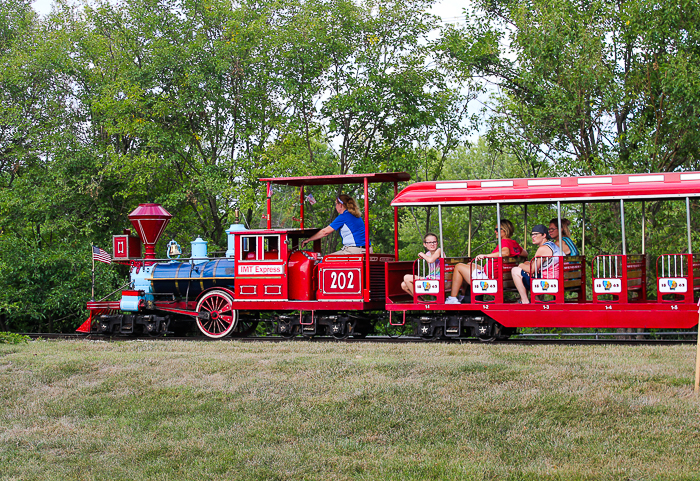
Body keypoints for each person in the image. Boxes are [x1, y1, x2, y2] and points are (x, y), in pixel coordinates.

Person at [445, 219, 527, 304]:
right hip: (499, 275)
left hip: (490, 278)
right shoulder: (513, 243)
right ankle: (463, 296)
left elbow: (506, 252)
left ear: (504, 231)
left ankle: (452, 299)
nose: (495, 232)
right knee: (470, 264)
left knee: (458, 266)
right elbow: (525, 253)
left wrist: (486, 256)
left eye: (497, 230)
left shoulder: (504, 242)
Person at [511, 224, 563, 304]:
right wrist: (526, 265)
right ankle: (537, 300)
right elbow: (534, 266)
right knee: (527, 267)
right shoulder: (553, 245)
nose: (533, 236)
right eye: (532, 234)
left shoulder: (542, 249)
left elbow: (532, 270)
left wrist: (520, 265)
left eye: (536, 234)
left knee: (515, 270)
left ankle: (524, 300)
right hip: (560, 277)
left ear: (544, 235)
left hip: (550, 281)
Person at [301, 194, 368, 254]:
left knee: (324, 262)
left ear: (340, 205)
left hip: (354, 251)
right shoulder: (356, 216)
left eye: (336, 204)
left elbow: (325, 232)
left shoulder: (343, 217)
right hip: (367, 250)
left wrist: (308, 240)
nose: (335, 207)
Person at [401, 233, 443, 297]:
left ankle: (418, 301)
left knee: (406, 277)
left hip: (439, 279)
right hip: (430, 278)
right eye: (429, 242)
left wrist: (423, 255)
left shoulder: (439, 251)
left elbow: (431, 260)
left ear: (437, 243)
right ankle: (420, 301)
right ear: (425, 244)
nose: (432, 244)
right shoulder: (428, 254)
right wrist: (425, 256)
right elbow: (431, 270)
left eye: (434, 242)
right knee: (403, 285)